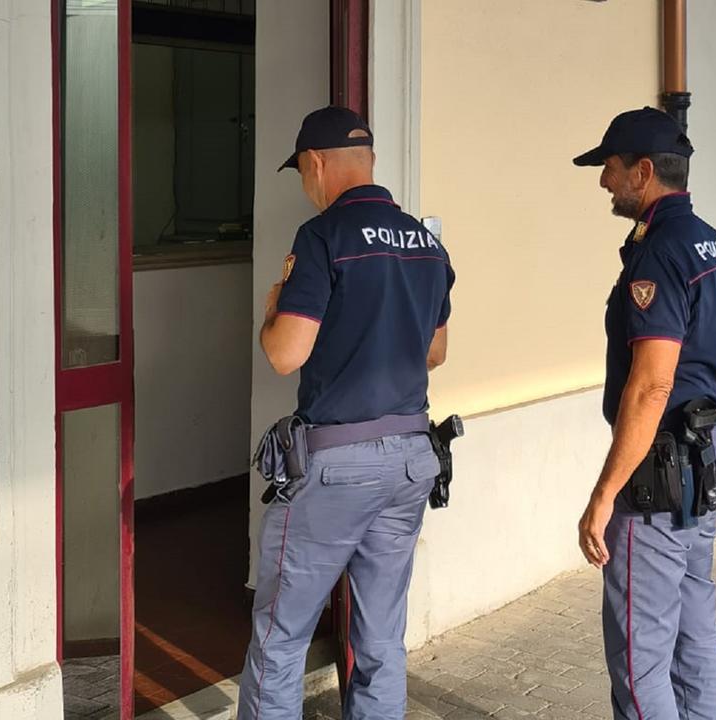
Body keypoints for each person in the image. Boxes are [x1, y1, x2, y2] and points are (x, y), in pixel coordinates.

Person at [237, 105, 456, 720]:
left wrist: (273, 311)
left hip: (336, 467)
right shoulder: (426, 243)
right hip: (412, 460)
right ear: (371, 161)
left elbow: (285, 354)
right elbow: (435, 352)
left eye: (302, 174)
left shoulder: (322, 237)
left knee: (282, 639)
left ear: (314, 163)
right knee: (381, 637)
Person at [572, 107, 716, 720]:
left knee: (640, 659)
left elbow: (652, 385)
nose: (604, 181)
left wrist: (605, 494)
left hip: (661, 475)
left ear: (643, 171)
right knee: (694, 633)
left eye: (610, 167)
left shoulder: (658, 254)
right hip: (712, 457)